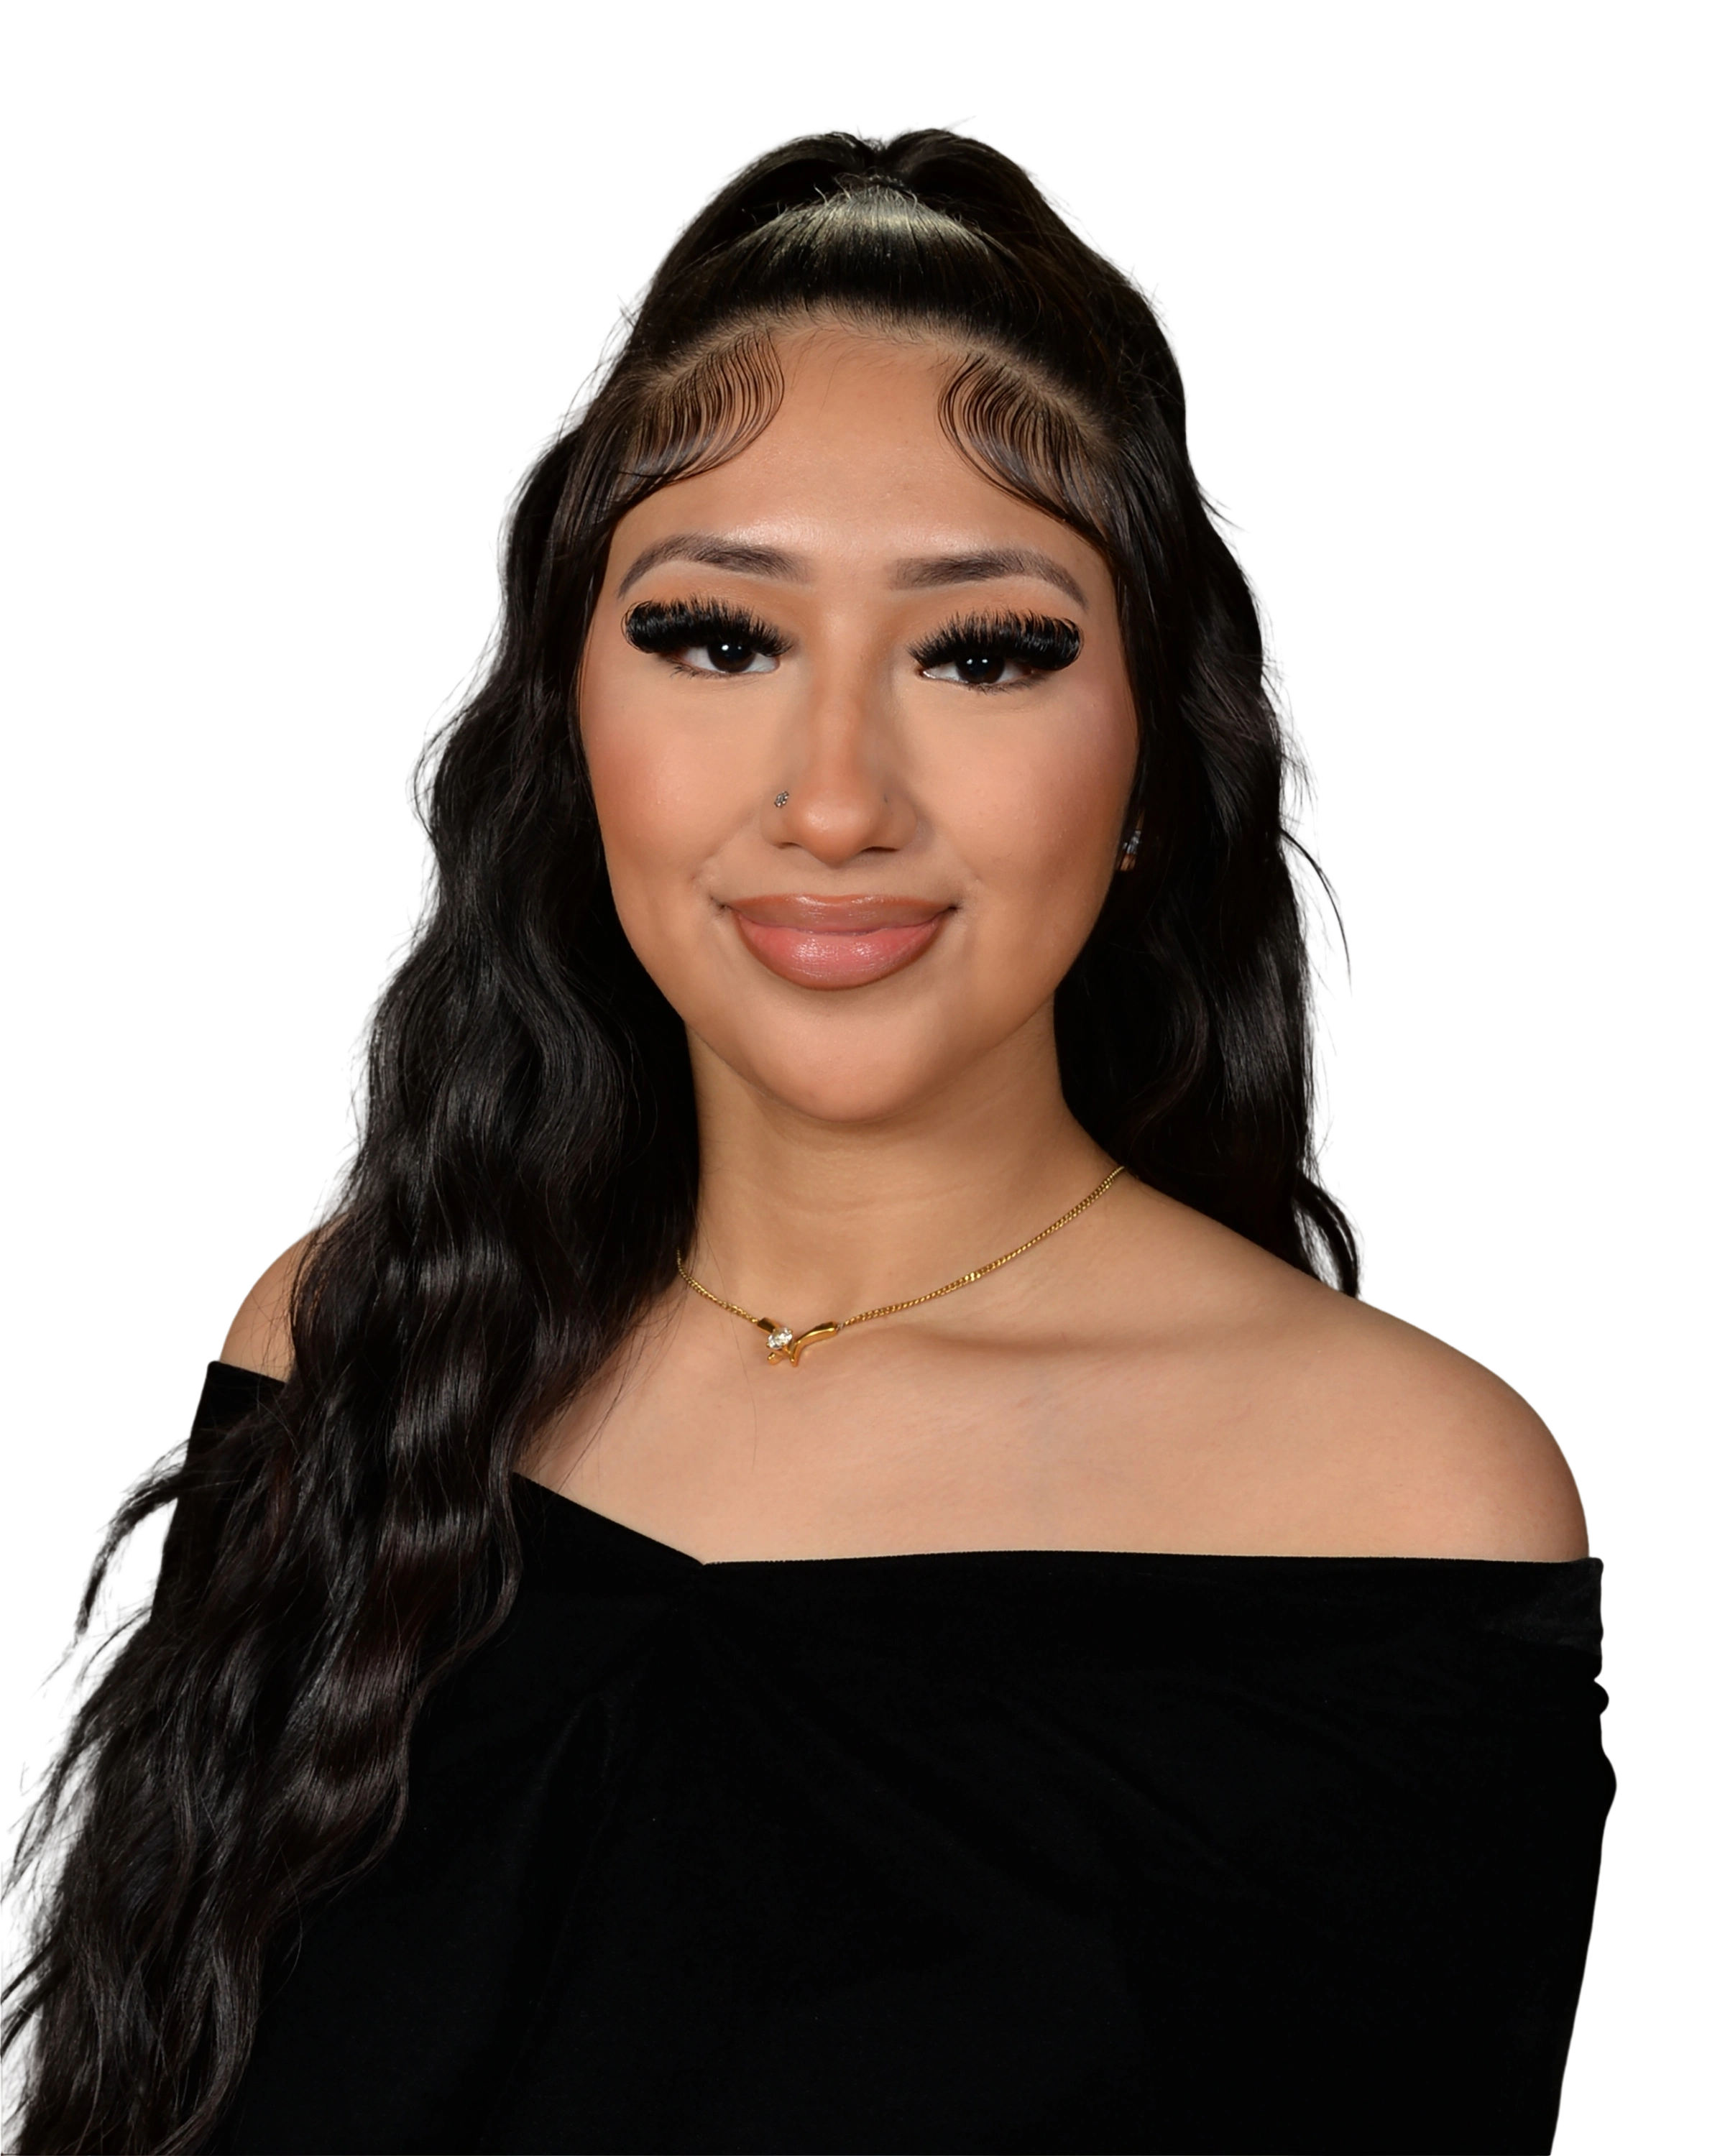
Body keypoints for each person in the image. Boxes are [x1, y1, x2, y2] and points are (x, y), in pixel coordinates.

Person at [1, 121, 1611, 2155]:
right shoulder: (351, 1344)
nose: (836, 799)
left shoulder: (1392, 1497)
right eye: (718, 637)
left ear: (1149, 764)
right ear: (570, 722)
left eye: (986, 650)